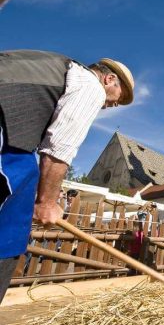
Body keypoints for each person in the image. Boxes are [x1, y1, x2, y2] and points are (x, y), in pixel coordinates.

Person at [0, 50, 134, 303]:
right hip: (5, 127)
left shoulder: (57, 68)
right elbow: (60, 147)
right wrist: (47, 202)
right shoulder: (89, 86)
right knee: (16, 207)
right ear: (108, 80)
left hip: (9, 120)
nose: (114, 105)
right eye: (119, 98)